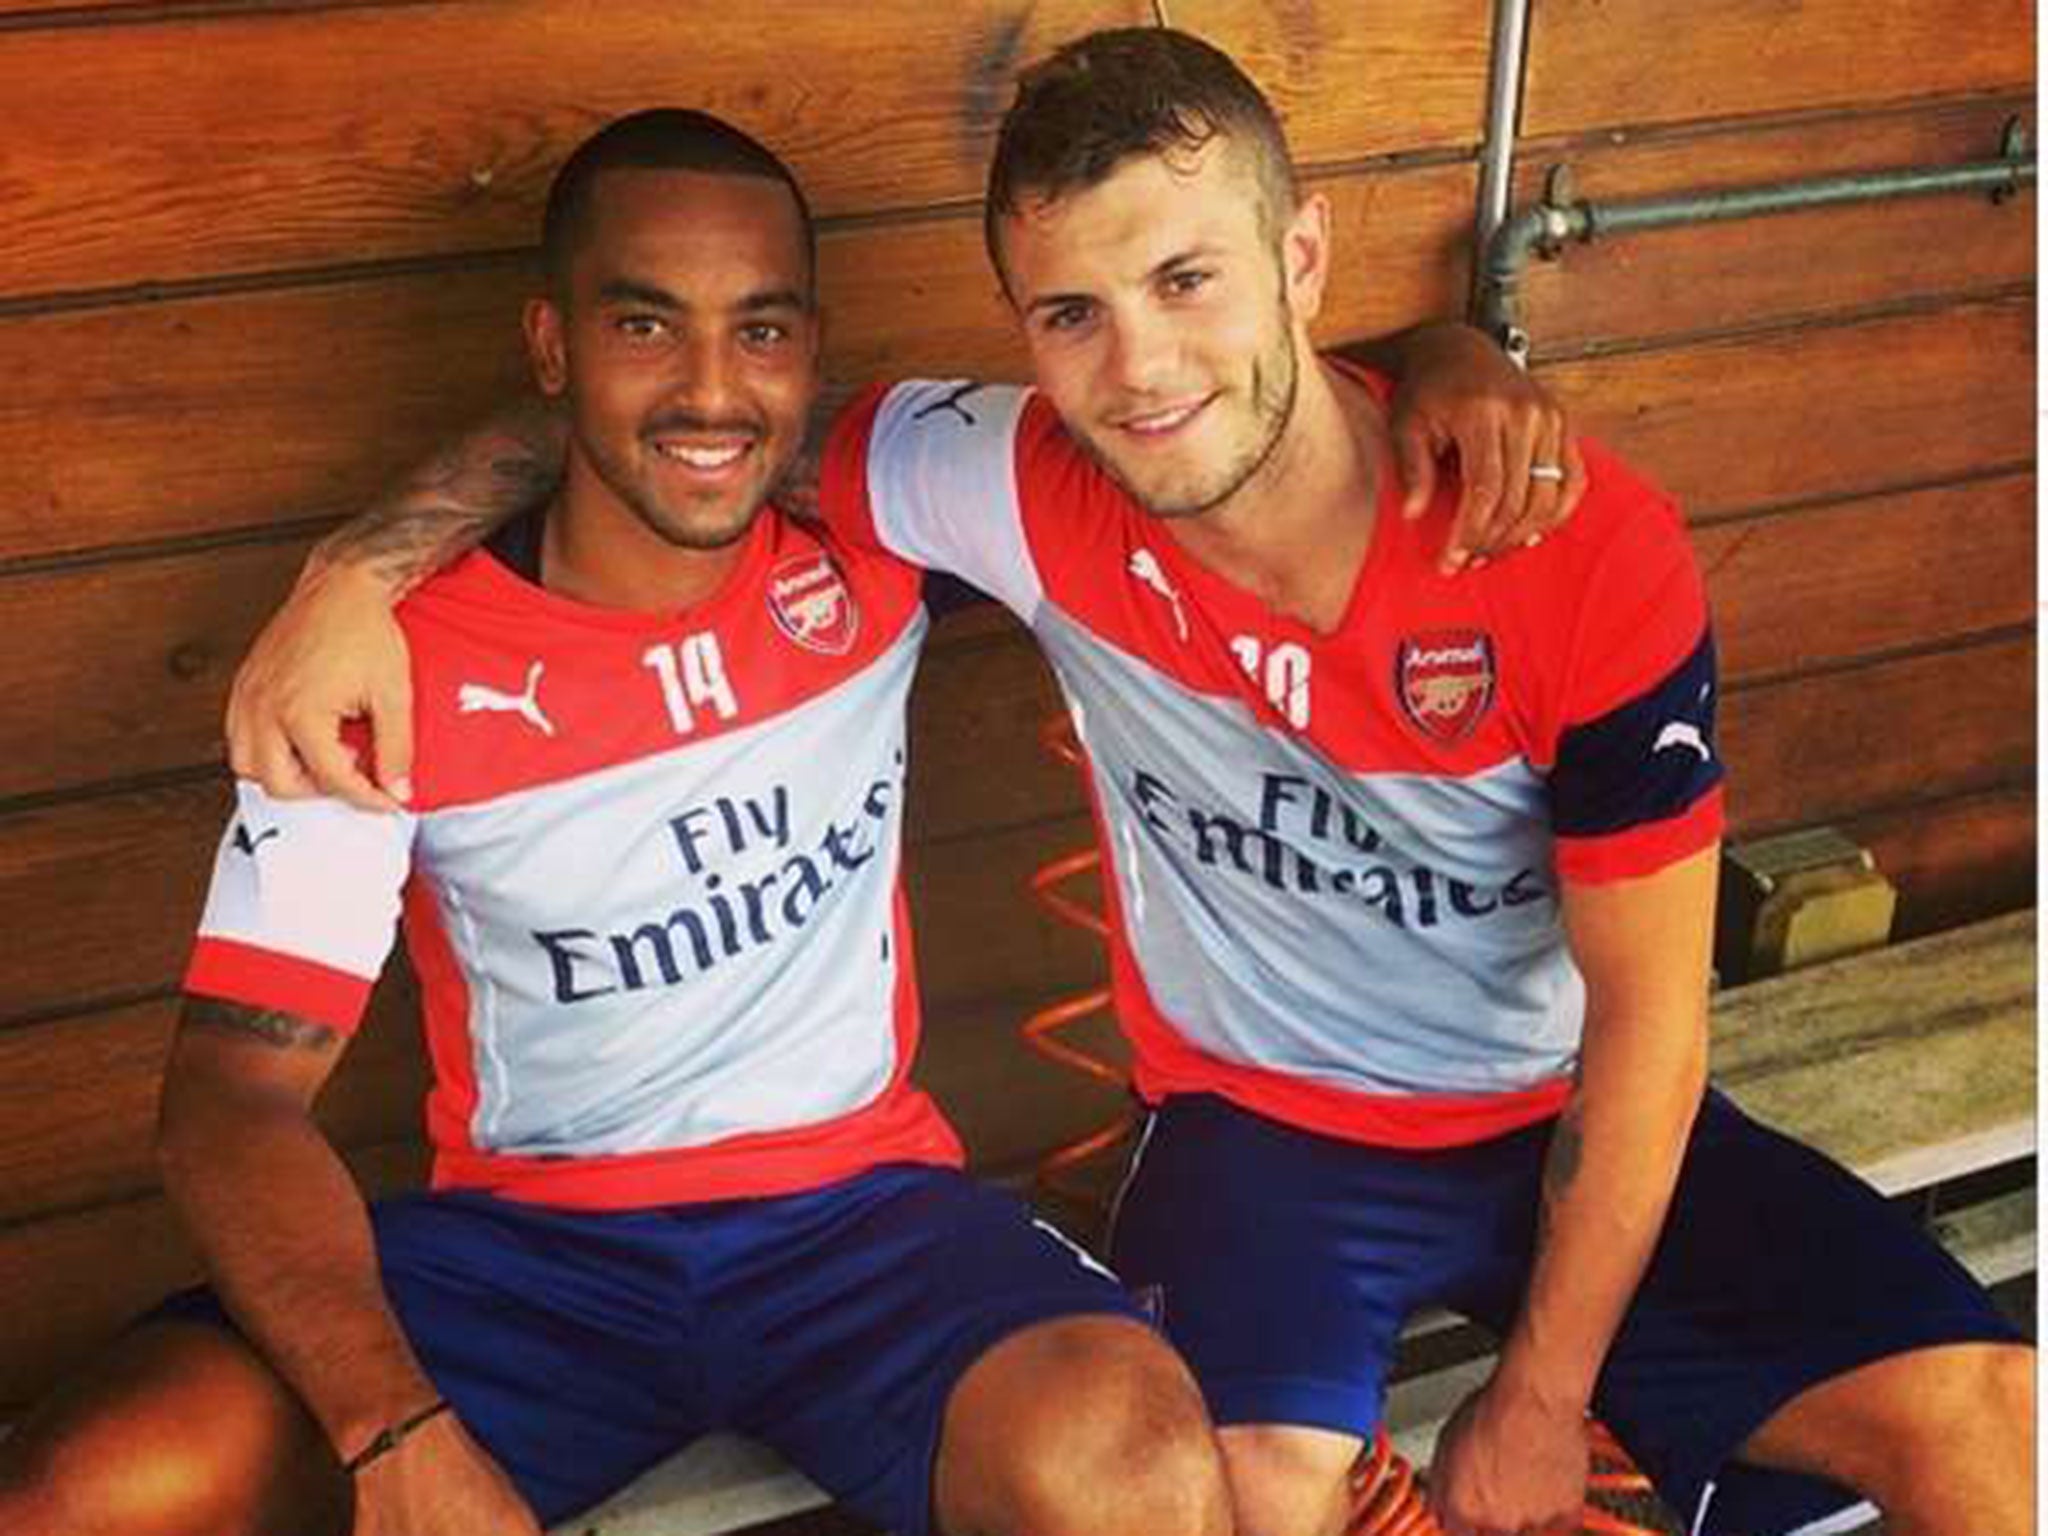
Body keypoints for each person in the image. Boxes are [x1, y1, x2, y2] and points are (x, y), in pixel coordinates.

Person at [206, 28, 2037, 1536]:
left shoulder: (1564, 541)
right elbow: (669, 411)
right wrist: (361, 573)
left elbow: (1651, 1032)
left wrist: (1541, 1400)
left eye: (1186, 281)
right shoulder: (1015, 480)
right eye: (1068, 314)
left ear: (1302, 260)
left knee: (1993, 1439)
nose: (1139, 369)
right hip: (1266, 1135)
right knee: (1239, 1498)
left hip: (1561, 1102)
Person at [0, 103, 1569, 1536]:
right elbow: (227, 1100)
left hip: (864, 1225)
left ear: (809, 352)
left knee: (1136, 1464)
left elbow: (1197, 412)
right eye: (643, 324)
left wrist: (1438, 353)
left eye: (760, 330)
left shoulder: (875, 532)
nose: (707, 387)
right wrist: (393, 1431)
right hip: (537, 1259)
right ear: (548, 345)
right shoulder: (388, 663)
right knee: (94, 1487)